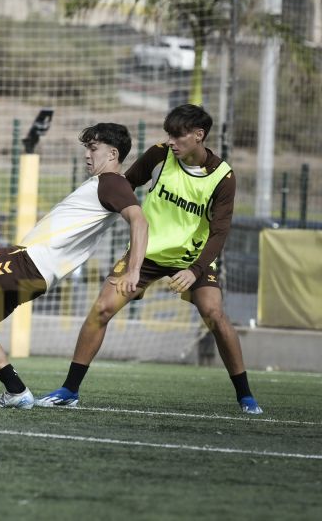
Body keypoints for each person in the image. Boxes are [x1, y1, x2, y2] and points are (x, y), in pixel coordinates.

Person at [36, 104, 263, 415]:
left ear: (199, 136)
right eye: (168, 134)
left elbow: (220, 232)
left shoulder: (224, 177)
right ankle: (69, 389)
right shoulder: (161, 153)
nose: (170, 141)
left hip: (190, 259)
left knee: (215, 314)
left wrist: (196, 270)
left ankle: (246, 397)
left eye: (177, 135)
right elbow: (127, 184)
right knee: (101, 310)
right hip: (145, 254)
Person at [0, 123, 148, 409]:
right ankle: (16, 391)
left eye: (93, 148)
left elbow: (139, 221)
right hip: (39, 275)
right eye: (86, 147)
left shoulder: (112, 182)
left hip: (32, 261)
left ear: (113, 153)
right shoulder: (109, 184)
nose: (87, 154)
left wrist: (133, 269)